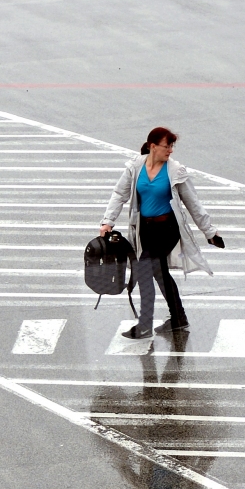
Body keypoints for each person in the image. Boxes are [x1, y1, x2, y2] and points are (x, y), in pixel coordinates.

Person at [100, 127, 224, 339]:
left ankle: (145, 324)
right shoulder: (136, 167)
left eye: (172, 146)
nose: (171, 151)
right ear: (153, 146)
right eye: (167, 146)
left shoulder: (175, 171)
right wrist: (107, 222)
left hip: (167, 229)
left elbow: (193, 203)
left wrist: (209, 232)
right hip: (144, 229)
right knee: (160, 272)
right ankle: (178, 318)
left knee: (144, 268)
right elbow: (119, 194)